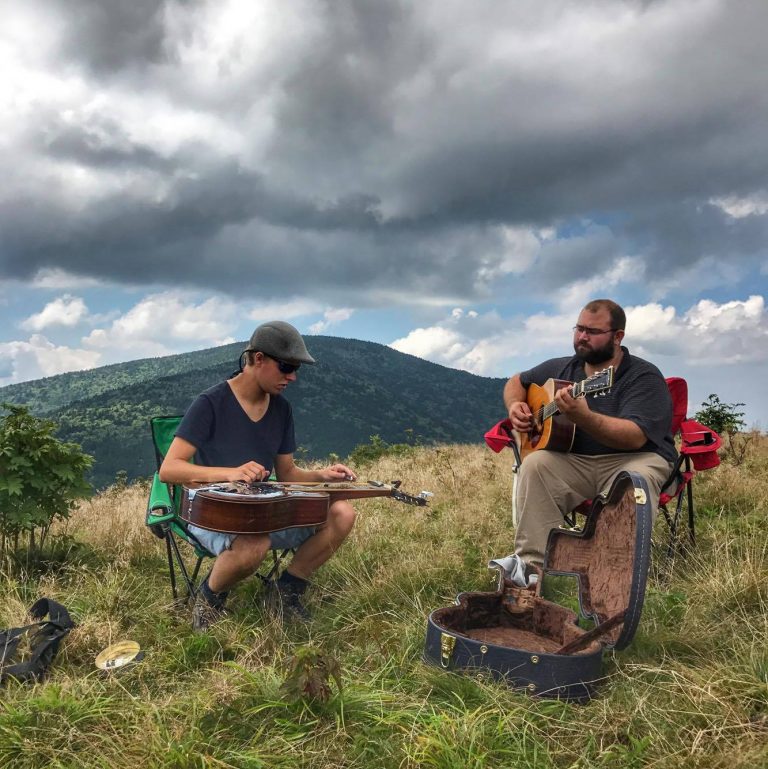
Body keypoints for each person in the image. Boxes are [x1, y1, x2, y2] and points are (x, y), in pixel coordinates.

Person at [159, 320, 357, 630]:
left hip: (264, 511)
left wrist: (323, 475)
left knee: (342, 513)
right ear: (259, 359)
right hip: (213, 514)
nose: (291, 377)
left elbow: (288, 472)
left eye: (296, 369)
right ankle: (209, 599)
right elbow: (169, 469)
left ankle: (286, 591)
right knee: (254, 544)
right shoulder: (210, 403)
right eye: (286, 367)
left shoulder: (281, 409)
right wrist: (231, 472)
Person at [502, 299, 676, 567]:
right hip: (576, 462)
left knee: (634, 478)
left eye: (592, 332)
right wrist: (516, 405)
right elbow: (516, 381)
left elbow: (635, 436)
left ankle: (615, 573)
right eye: (579, 328)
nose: (582, 337)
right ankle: (533, 570)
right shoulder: (560, 368)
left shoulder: (643, 377)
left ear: (618, 337)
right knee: (535, 465)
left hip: (635, 458)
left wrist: (584, 417)